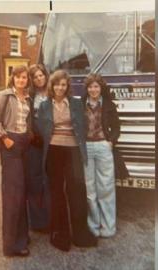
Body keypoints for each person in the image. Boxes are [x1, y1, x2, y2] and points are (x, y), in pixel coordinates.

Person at [37, 69, 97, 251]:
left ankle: (80, 234)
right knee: (57, 193)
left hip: (73, 150)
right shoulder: (44, 106)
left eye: (63, 84)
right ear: (52, 85)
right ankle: (60, 233)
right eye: (57, 84)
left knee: (77, 190)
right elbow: (41, 128)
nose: (60, 88)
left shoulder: (76, 104)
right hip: (54, 151)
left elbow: (84, 125)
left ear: (67, 86)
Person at [0, 65, 33, 257]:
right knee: (13, 194)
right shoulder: (6, 96)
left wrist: (29, 136)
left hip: (24, 144)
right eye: (18, 77)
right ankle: (11, 245)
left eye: (24, 78)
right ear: (13, 79)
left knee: (22, 191)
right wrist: (5, 139)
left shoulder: (28, 98)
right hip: (10, 144)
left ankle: (22, 236)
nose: (22, 80)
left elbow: (27, 122)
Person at [81, 73, 122, 237]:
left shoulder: (109, 105)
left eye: (96, 86)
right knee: (89, 188)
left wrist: (111, 141)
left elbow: (117, 127)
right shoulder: (81, 104)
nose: (93, 90)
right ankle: (93, 226)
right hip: (86, 147)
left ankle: (108, 227)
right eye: (90, 86)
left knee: (106, 187)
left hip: (103, 146)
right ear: (87, 89)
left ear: (101, 88)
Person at [26, 64, 50, 233]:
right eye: (35, 77)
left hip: (52, 141)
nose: (39, 79)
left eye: (41, 75)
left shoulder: (53, 92)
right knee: (35, 180)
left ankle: (51, 218)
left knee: (49, 180)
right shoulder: (30, 96)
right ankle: (37, 221)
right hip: (35, 142)